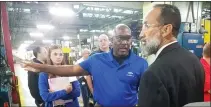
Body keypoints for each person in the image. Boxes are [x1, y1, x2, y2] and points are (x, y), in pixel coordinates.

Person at [22, 24, 148, 106]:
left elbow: (146, 94)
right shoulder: (96, 60)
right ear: (112, 39)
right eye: (120, 38)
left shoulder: (141, 64)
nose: (125, 43)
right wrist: (41, 67)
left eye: (128, 38)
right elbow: (71, 69)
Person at [138, 4, 204, 107]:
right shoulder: (194, 61)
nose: (141, 34)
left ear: (166, 30)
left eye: (146, 25)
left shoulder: (153, 73)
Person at [86, 34, 110, 106]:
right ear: (98, 43)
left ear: (109, 41)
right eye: (100, 41)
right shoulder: (93, 56)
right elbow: (88, 75)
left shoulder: (115, 54)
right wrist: (93, 91)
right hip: (100, 93)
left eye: (105, 40)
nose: (103, 42)